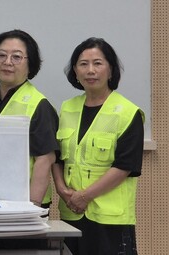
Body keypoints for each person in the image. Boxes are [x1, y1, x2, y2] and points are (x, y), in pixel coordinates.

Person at [52, 38, 143, 255]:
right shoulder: (67, 108)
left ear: (111, 70)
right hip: (72, 213)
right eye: (83, 64)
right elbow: (56, 156)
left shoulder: (127, 112)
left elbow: (124, 166)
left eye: (98, 63)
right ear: (75, 71)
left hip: (110, 219)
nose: (90, 70)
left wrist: (84, 196)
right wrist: (61, 189)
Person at [0, 29, 59, 250]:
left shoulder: (39, 104)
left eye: (17, 57)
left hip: (25, 206)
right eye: (1, 55)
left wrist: (31, 207)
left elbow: (45, 159)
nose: (7, 62)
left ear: (30, 64)